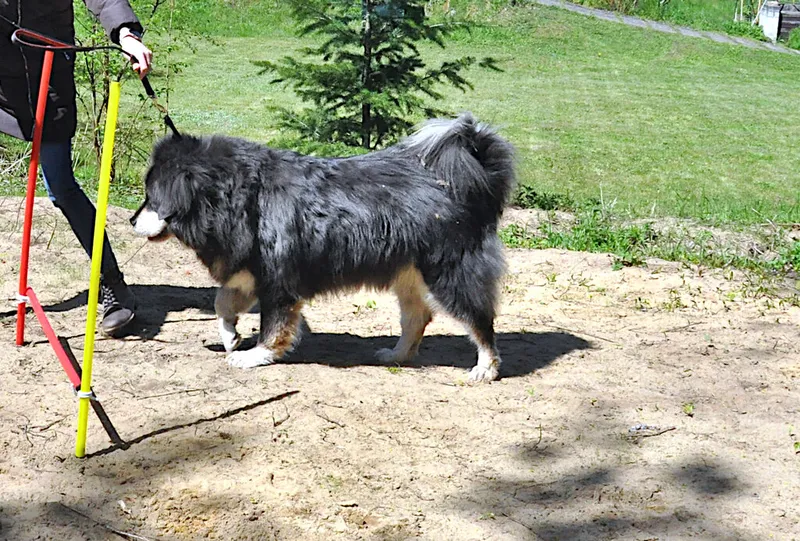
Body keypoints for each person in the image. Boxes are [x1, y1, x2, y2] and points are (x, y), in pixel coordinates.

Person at [0, 0, 153, 336]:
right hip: (2, 81)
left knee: (61, 188)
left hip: (49, 80)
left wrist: (126, 34)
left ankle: (112, 284)